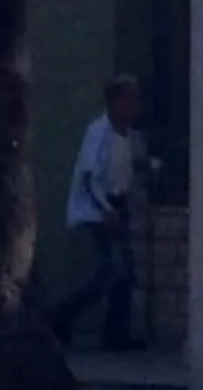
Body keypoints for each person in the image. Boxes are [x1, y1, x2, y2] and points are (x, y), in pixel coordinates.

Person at [50, 76, 147, 352]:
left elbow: (125, 169)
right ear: (117, 101)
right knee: (110, 272)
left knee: (124, 274)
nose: (136, 105)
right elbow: (89, 176)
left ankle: (116, 334)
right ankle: (59, 317)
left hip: (119, 204)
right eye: (131, 99)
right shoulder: (98, 132)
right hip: (98, 210)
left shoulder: (127, 134)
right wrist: (106, 210)